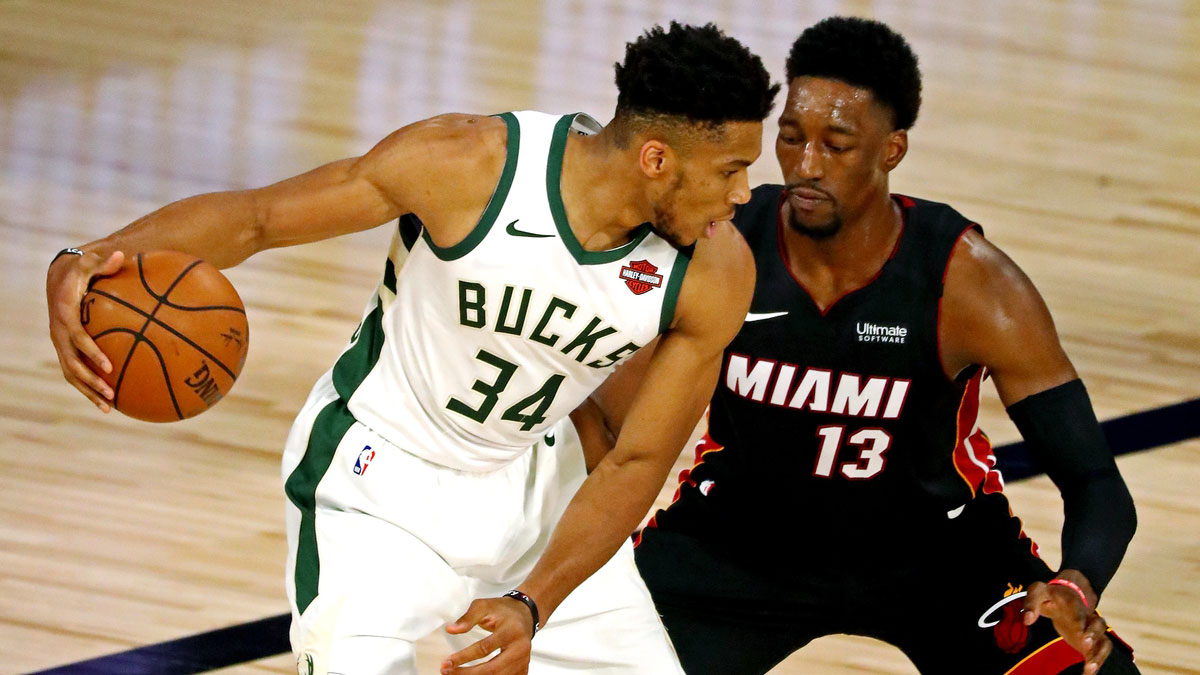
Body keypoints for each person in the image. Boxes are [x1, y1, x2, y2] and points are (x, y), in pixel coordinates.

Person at [45, 22, 780, 675]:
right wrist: (86, 257)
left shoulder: (713, 272)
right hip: (377, 482)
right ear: (656, 158)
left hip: (535, 489)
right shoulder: (470, 166)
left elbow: (637, 457)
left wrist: (534, 600)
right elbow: (259, 219)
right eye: (729, 168)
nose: (746, 192)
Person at [584, 16, 1140, 675]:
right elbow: (610, 421)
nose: (806, 165)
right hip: (734, 545)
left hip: (937, 554)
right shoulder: (723, 247)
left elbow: (1096, 480)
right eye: (790, 138)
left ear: (892, 149)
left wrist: (1076, 582)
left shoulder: (969, 282)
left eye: (837, 144)